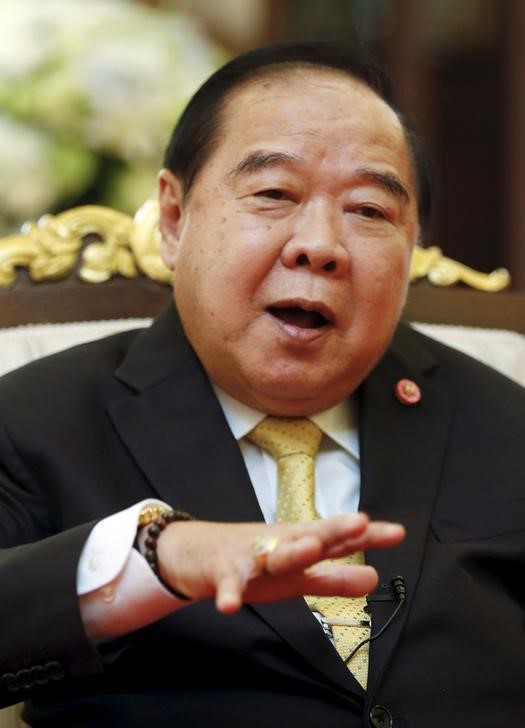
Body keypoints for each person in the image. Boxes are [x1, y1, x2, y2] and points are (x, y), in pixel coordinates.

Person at [0, 41, 524, 728]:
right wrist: (153, 560)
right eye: (274, 194)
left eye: (369, 210)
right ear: (174, 219)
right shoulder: (35, 420)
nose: (320, 245)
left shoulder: (505, 425)